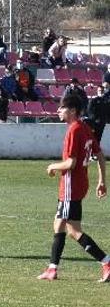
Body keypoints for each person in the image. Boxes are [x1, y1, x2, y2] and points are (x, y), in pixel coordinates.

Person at [39, 95, 110, 282]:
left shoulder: (74, 130)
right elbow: (100, 155)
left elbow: (71, 163)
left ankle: (106, 262)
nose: (58, 111)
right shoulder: (85, 128)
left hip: (71, 186)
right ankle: (52, 269)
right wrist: (102, 181)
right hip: (78, 185)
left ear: (72, 111)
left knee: (73, 230)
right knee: (59, 224)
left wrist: (52, 166)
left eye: (62, 108)